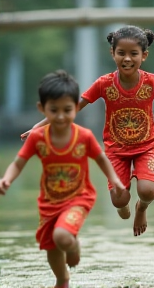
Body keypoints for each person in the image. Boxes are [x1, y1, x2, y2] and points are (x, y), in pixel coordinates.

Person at [20, 25, 154, 237]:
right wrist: (39, 126)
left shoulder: (152, 82)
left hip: (147, 146)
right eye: (121, 53)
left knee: (147, 191)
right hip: (116, 149)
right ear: (112, 53)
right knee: (119, 198)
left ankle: (141, 209)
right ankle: (124, 205)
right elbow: (75, 105)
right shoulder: (104, 84)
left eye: (133, 54)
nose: (127, 59)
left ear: (143, 56)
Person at [0, 70, 125, 288]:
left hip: (79, 198)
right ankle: (62, 279)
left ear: (76, 108)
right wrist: (7, 179)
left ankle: (74, 244)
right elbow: (19, 162)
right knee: (51, 246)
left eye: (67, 110)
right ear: (42, 109)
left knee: (61, 237)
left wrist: (114, 179)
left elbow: (101, 158)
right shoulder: (38, 138)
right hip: (49, 202)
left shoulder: (83, 136)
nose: (60, 116)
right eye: (53, 110)